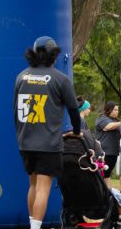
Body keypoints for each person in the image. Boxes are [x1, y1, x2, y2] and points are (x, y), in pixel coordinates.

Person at [14, 36, 82, 229]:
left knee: (33, 185)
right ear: (54, 55)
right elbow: (74, 111)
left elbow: (15, 111)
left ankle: (31, 223)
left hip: (26, 142)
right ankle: (35, 227)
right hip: (48, 144)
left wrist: (21, 136)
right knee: (44, 187)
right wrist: (76, 131)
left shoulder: (21, 77)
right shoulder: (61, 79)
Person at [94, 101, 121, 187]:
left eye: (117, 110)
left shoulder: (115, 121)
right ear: (109, 110)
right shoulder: (102, 119)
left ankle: (108, 194)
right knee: (102, 174)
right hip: (104, 152)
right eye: (115, 110)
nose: (117, 111)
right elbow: (108, 127)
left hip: (114, 152)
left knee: (107, 174)